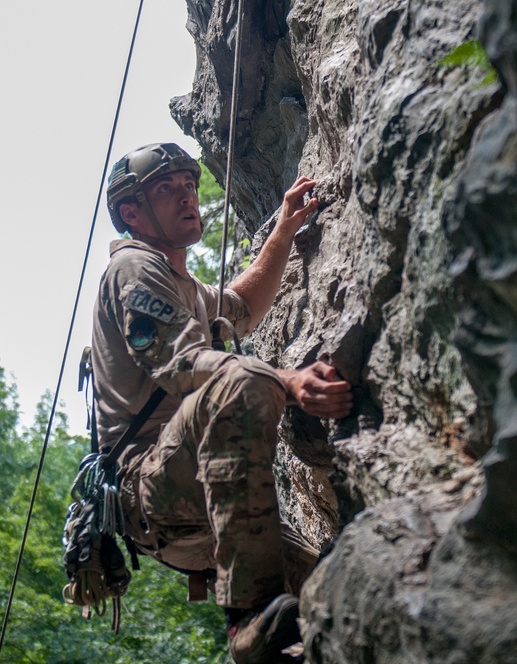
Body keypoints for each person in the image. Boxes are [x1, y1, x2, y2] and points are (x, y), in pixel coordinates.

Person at [91, 142, 353, 663]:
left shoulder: (177, 281)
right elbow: (183, 364)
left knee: (339, 595)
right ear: (131, 214)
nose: (188, 197)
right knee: (243, 381)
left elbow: (240, 307)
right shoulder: (133, 271)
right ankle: (248, 619)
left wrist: (283, 232)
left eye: (189, 185)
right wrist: (289, 380)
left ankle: (271, 626)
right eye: (166, 190)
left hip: (191, 498)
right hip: (153, 487)